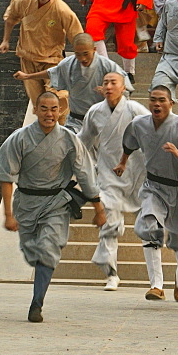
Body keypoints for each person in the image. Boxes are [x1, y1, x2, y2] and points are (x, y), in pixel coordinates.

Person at [0, 89, 105, 322]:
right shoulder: (19, 138)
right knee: (32, 252)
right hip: (26, 202)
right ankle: (39, 284)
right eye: (43, 108)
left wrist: (99, 209)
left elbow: (85, 174)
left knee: (48, 248)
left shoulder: (68, 139)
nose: (49, 113)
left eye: (54, 109)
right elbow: (6, 175)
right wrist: (8, 214)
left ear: (60, 111)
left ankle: (37, 303)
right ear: (35, 110)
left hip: (56, 203)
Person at [114, 85, 178, 302]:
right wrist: (122, 163)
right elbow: (129, 143)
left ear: (171, 103)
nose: (157, 104)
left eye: (162, 100)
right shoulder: (139, 124)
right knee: (149, 226)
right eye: (153, 100)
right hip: (152, 187)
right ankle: (156, 285)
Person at [78, 70, 149, 290]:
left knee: (150, 223)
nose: (109, 87)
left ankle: (156, 278)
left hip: (136, 171)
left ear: (123, 86)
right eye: (106, 83)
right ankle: (111, 273)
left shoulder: (135, 109)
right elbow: (83, 142)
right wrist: (87, 167)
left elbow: (152, 132)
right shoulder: (95, 112)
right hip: (108, 173)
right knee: (109, 222)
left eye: (113, 82)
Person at [14, 32, 132, 133]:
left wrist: (111, 95)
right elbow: (52, 73)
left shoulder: (108, 65)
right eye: (78, 54)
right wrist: (28, 76)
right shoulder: (69, 64)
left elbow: (124, 89)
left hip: (102, 120)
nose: (82, 59)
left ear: (94, 50)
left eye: (86, 54)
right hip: (75, 121)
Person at [0, 0, 83, 107]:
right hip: (28, 58)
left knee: (58, 98)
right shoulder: (23, 0)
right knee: (38, 102)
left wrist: (83, 61)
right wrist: (6, 40)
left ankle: (61, 126)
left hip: (51, 59)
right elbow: (11, 19)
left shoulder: (62, 10)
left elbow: (77, 36)